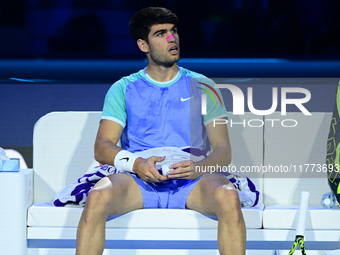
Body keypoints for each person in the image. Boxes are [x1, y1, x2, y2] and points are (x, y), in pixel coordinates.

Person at [76, 7, 246, 255]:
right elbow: (103, 146)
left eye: (174, 31)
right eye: (161, 33)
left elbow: (223, 150)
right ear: (143, 45)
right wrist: (136, 163)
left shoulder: (204, 86)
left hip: (192, 180)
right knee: (97, 197)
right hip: (138, 179)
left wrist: (200, 166)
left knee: (229, 197)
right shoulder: (123, 88)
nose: (172, 39)